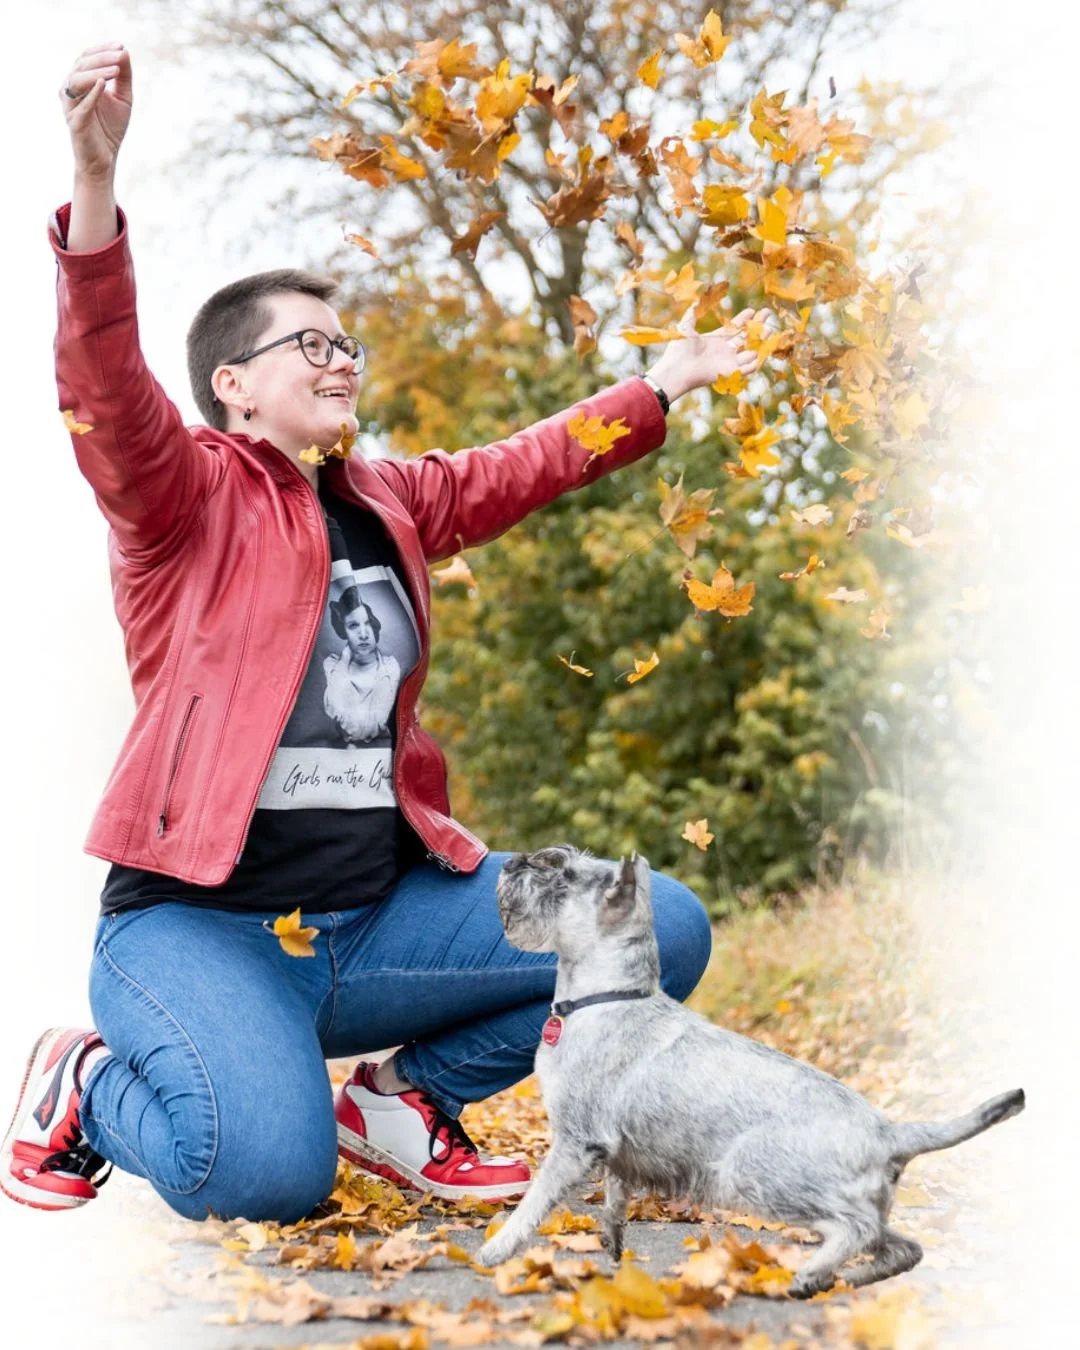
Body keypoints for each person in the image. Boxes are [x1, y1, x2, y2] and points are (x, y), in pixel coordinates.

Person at [0, 43, 766, 1222]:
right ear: (233, 385)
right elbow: (104, 393)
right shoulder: (181, 499)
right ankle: (86, 1083)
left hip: (372, 924)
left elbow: (527, 464)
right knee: (264, 1175)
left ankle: (404, 1105)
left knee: (657, 926)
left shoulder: (390, 498)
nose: (341, 359)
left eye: (346, 344)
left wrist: (658, 387)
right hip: (203, 931)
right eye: (310, 343)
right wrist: (94, 186)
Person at [324, 588, 402, 745]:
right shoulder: (333, 666)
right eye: (353, 626)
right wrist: (344, 661)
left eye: (368, 624)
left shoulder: (390, 667)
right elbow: (336, 711)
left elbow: (369, 728)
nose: (364, 634)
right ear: (343, 630)